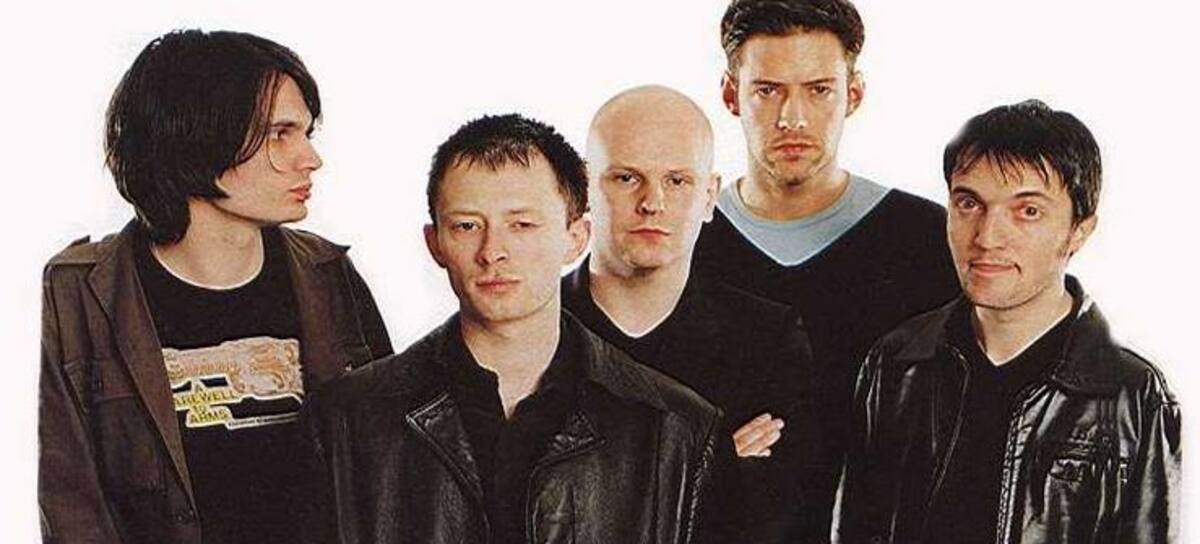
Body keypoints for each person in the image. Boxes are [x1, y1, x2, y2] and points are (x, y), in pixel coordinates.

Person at [38, 29, 393, 544]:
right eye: (280, 135)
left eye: (306, 133)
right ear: (197, 139)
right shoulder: (79, 293)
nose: (310, 158)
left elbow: (392, 470)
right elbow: (70, 505)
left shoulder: (328, 273)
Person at [311, 113, 733, 543]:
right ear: (435, 243)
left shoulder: (677, 431)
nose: (493, 251)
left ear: (576, 237)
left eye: (522, 225)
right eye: (467, 226)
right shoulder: (345, 421)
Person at [833, 99, 1180, 543]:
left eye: (1027, 210)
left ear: (1079, 230)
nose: (987, 237)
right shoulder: (896, 364)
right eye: (969, 203)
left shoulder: (1130, 395)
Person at [693, 0, 960, 533]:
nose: (792, 118)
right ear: (730, 94)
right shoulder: (683, 242)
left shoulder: (928, 240)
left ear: (853, 94)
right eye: (767, 90)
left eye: (818, 90)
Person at [562, 85, 821, 542]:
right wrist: (715, 470)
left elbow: (774, 524)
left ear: (709, 196)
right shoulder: (529, 329)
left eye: (677, 181)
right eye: (626, 178)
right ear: (583, 188)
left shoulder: (767, 340)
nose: (652, 202)